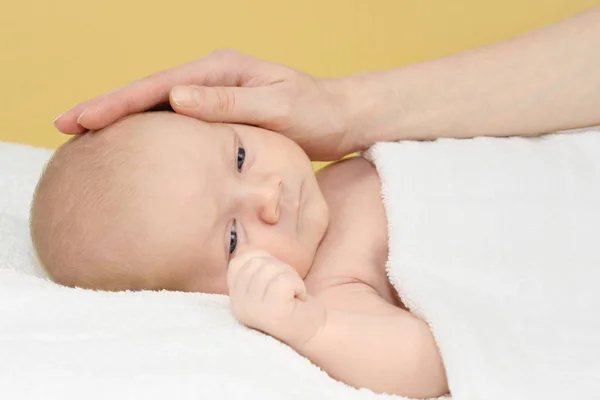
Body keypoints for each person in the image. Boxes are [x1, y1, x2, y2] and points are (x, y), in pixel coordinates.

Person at [31, 111, 449, 399]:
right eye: (233, 237)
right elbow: (433, 360)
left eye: (240, 157)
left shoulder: (343, 156)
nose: (269, 195)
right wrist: (312, 328)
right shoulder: (333, 285)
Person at [53, 6, 600, 160]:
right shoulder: (335, 272)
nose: (266, 204)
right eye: (232, 239)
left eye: (240, 159)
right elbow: (417, 363)